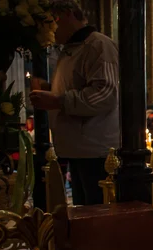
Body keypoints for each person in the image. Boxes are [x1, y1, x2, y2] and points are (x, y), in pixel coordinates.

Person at [30, 0, 119, 206]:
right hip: (78, 148)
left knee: (95, 215)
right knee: (82, 211)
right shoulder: (72, 49)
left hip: (96, 151)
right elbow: (77, 86)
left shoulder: (98, 45)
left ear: (68, 14)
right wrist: (49, 88)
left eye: (52, 21)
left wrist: (58, 100)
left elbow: (104, 93)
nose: (50, 29)